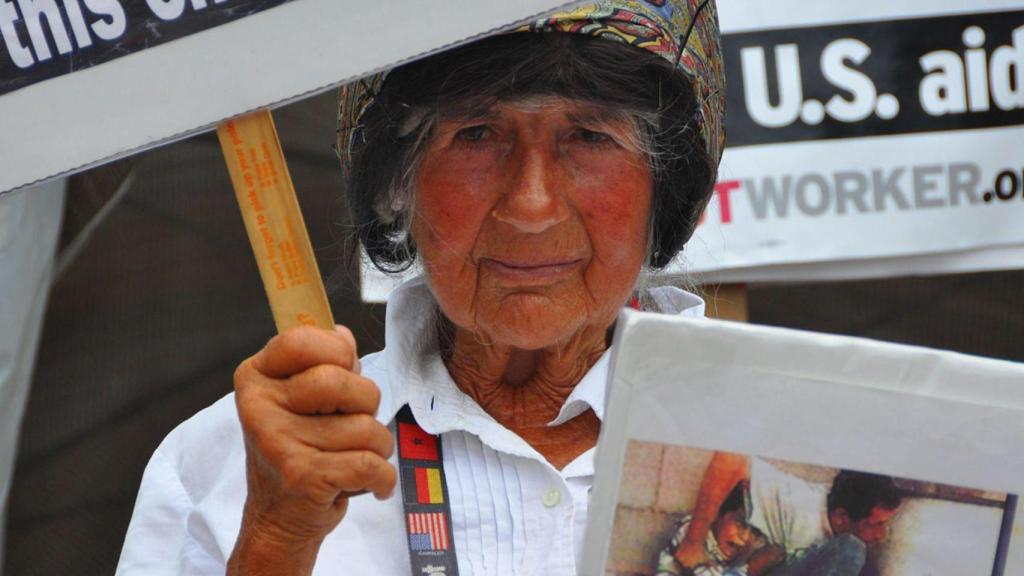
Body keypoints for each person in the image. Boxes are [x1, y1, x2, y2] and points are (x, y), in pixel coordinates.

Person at [116, 1, 726, 574]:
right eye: (477, 134)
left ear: (666, 189)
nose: (532, 206)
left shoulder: (783, 440)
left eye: (591, 136)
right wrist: (277, 540)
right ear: (397, 186)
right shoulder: (231, 467)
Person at [675, 453, 902, 576]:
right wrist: (693, 541)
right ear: (842, 516)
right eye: (875, 524)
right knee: (851, 549)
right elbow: (729, 459)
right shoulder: (799, 501)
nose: (881, 534)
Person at [655, 485, 785, 576]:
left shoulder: (725, 559)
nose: (745, 537)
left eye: (755, 533)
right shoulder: (689, 532)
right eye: (740, 524)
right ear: (719, 514)